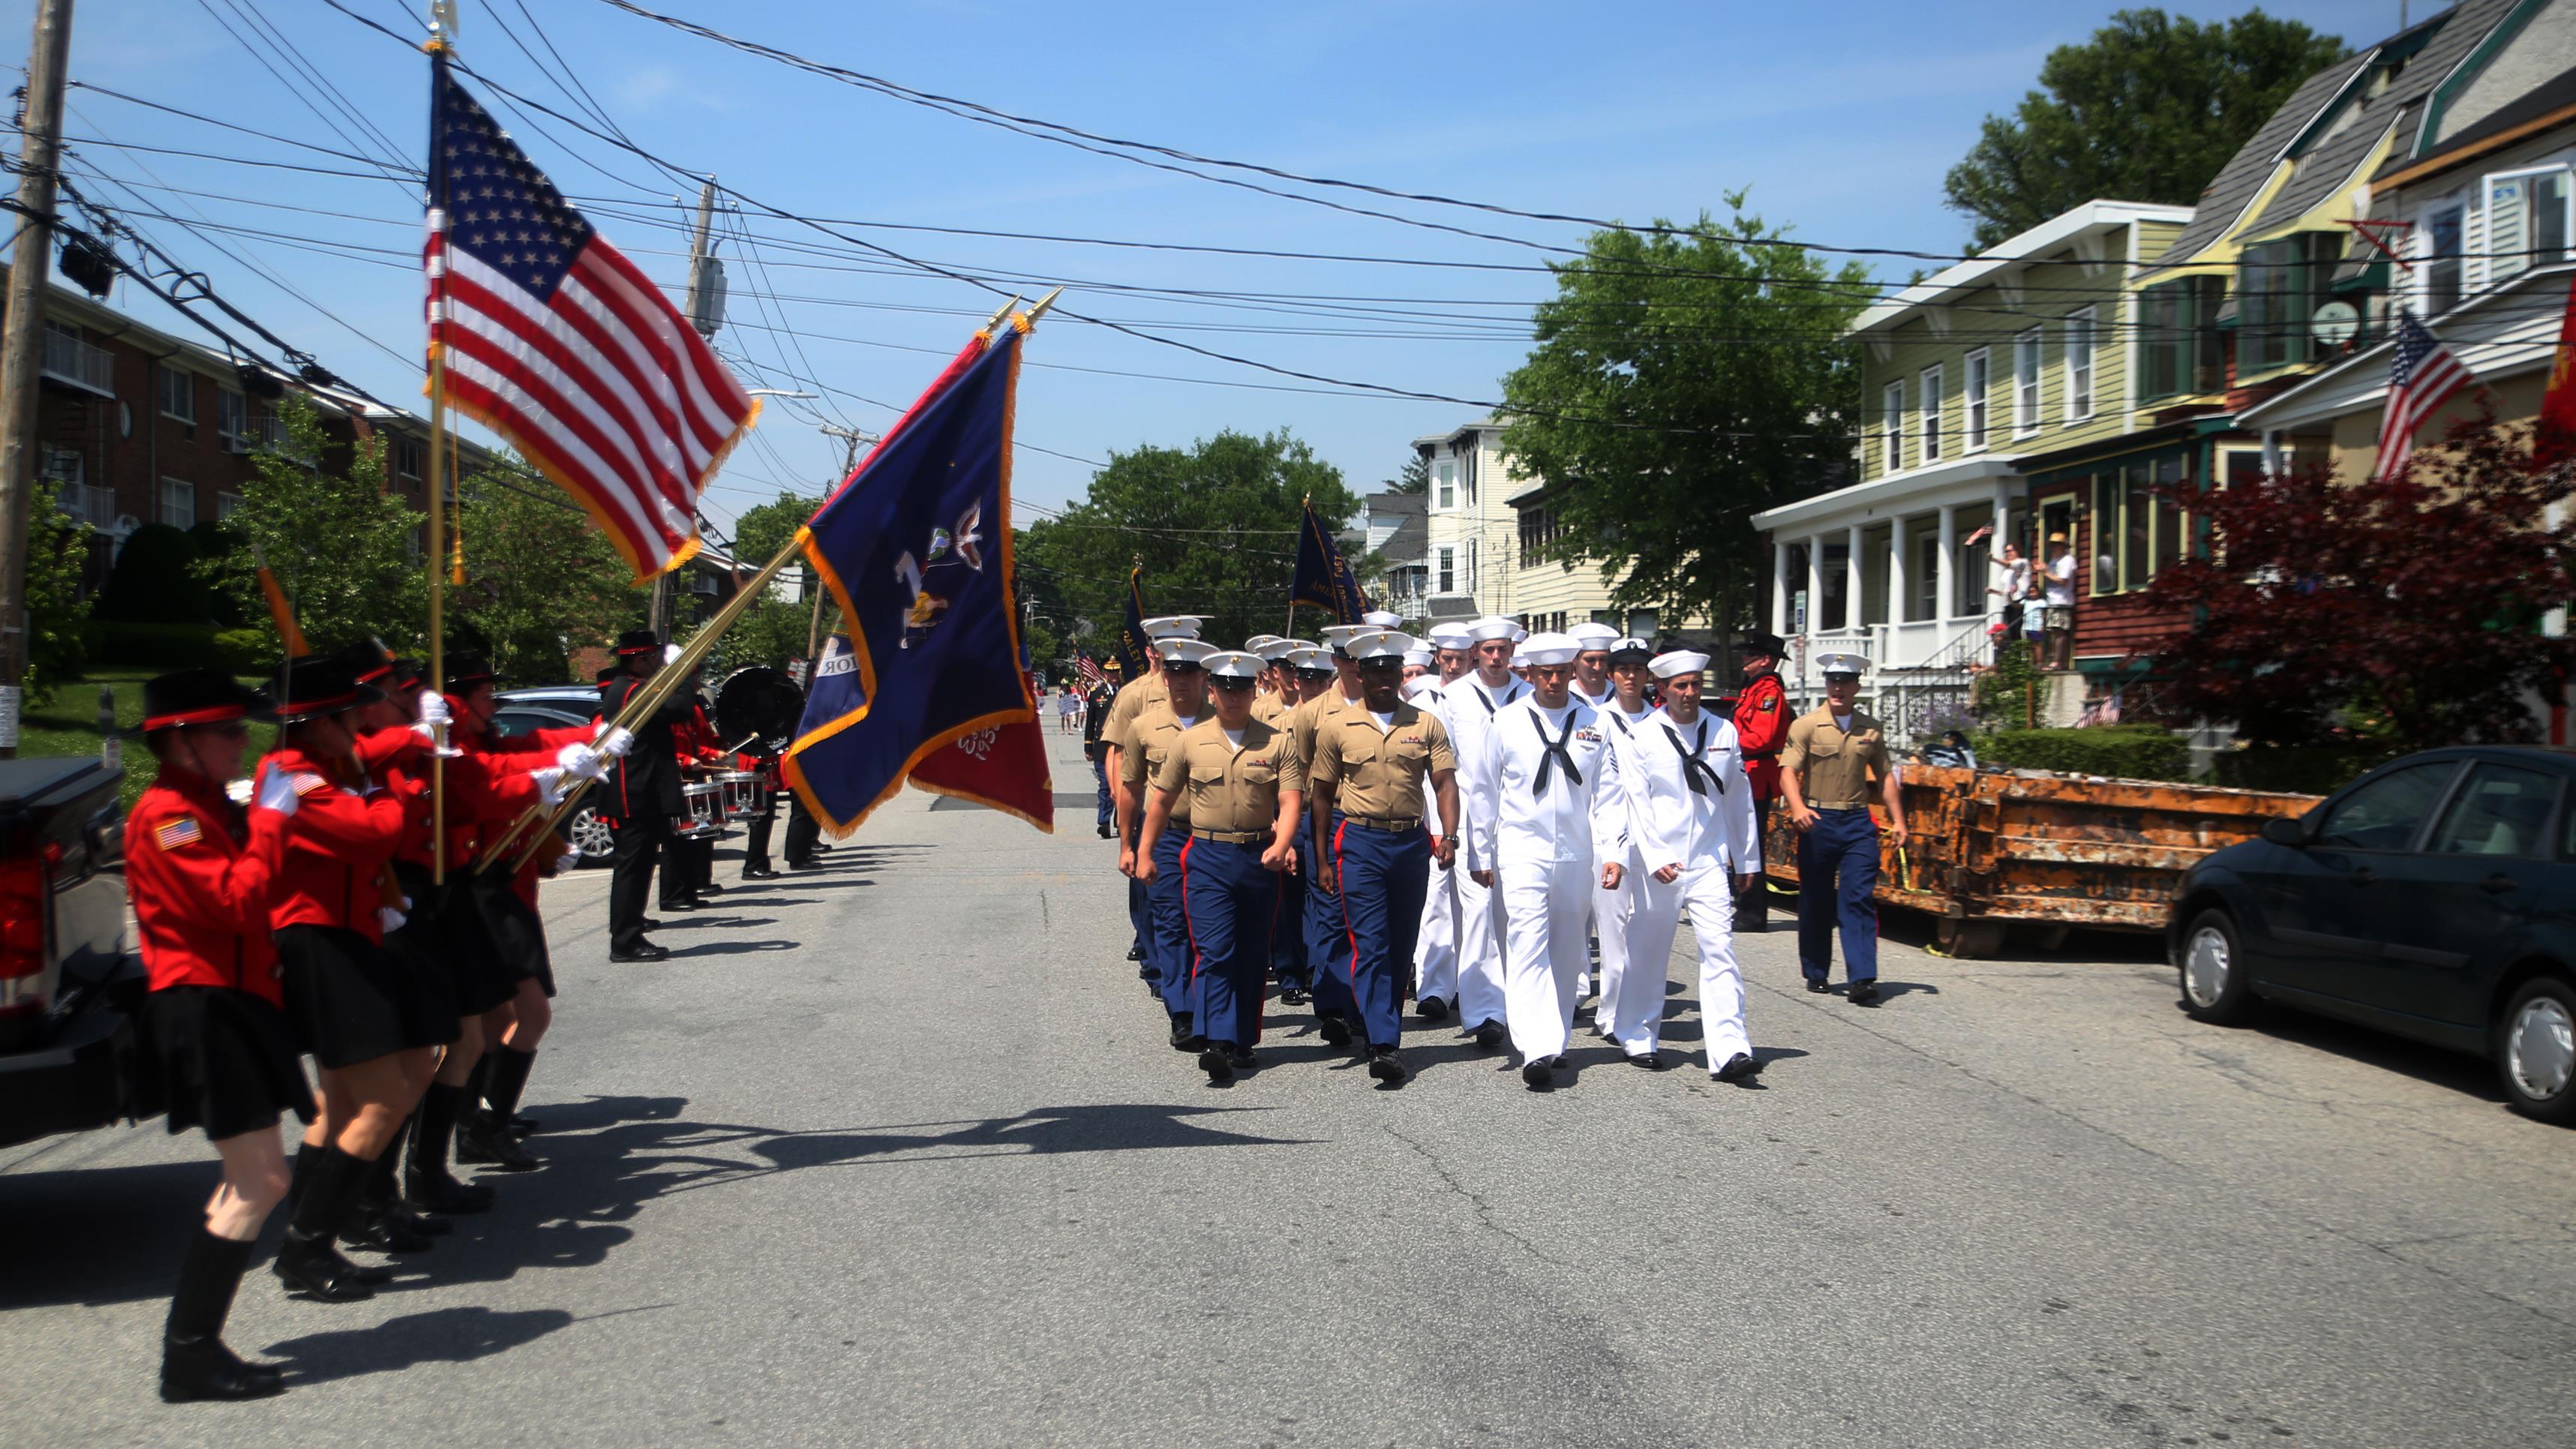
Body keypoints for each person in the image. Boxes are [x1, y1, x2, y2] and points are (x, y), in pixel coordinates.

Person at [125, 670, 304, 1400]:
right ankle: (189, 1355)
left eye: (240, 728)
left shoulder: (200, 807)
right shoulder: (168, 818)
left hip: (235, 1001)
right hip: (205, 1006)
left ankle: (195, 1350)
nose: (242, 741)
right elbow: (235, 900)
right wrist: (270, 821)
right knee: (258, 1180)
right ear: (180, 741)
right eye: (227, 730)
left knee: (256, 1179)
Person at [260, 655, 423, 1303]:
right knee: (383, 1098)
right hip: (319, 941)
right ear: (316, 724)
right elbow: (372, 835)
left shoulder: (323, 770)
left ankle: (313, 1238)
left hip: (346, 934)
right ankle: (305, 1244)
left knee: (343, 1107)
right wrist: (379, 789)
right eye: (347, 713)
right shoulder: (292, 778)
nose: (359, 720)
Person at [1135, 650, 1303, 1084]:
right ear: (1212, 691)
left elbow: (1289, 802)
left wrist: (1282, 844)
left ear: (1253, 691)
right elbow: (1162, 801)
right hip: (1207, 856)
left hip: (1257, 856)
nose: (1233, 697)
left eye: (1242, 689)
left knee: (1250, 952)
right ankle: (1217, 1040)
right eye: (1225, 689)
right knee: (1215, 950)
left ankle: (1242, 1039)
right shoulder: (1189, 742)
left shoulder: (1276, 742)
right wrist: (1146, 852)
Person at [1467, 632, 1620, 1090]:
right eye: (1545, 673)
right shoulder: (1507, 722)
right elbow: (1484, 791)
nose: (1554, 681)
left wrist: (1613, 850)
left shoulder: (1595, 722)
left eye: (1562, 672)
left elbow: (1609, 794)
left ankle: (1555, 1040)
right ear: (1529, 674)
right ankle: (1535, 1046)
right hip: (1522, 850)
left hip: (1576, 853)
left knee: (1567, 948)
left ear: (1573, 672)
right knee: (1527, 941)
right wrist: (1481, 850)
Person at [1307, 630, 1459, 1084]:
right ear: (1361, 674)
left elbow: (1445, 782)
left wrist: (1447, 834)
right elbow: (1320, 795)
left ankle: (1380, 1022)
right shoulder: (1338, 726)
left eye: (1391, 670)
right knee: (1371, 944)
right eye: (1375, 671)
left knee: (1400, 944)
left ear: (1399, 673)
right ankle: (1384, 1042)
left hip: (1411, 843)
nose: (1384, 679)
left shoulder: (1425, 723)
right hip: (1361, 843)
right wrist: (1321, 859)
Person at [1616, 650, 1763, 1079]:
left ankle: (1730, 1049)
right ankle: (1638, 1035)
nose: (1690, 693)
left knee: (1720, 949)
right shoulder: (1641, 737)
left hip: (1708, 860)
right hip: (1659, 862)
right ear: (1661, 690)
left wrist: (1746, 856)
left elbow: (1738, 797)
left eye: (1696, 684)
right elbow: (1636, 803)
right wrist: (1655, 854)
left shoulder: (1724, 731)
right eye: (1680, 686)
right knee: (1648, 952)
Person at [1779, 653, 1908, 1006]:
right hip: (1818, 820)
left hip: (1856, 822)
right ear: (1827, 685)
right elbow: (1788, 771)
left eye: (1846, 682)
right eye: (1833, 681)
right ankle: (1817, 970)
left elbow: (1884, 776)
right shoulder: (1807, 725)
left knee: (1857, 898)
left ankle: (1862, 977)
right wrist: (1798, 807)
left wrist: (1899, 820)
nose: (1838, 688)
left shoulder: (1871, 729)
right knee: (1817, 900)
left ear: (1857, 687)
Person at [1120, 636, 1215, 1046]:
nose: (1180, 680)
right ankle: (1182, 1011)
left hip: (1217, 840)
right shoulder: (1144, 726)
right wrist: (1127, 844)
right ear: (1163, 673)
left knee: (1210, 930)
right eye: (1173, 672)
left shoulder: (1226, 722)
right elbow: (1130, 787)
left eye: (1189, 672)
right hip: (1169, 838)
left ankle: (1213, 1007)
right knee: (1172, 924)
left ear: (1204, 676)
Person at [1439, 616, 1527, 1042]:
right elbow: (1442, 769)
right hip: (1471, 818)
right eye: (1488, 650)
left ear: (1512, 651)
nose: (1496, 657)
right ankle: (1484, 1014)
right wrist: (1444, 828)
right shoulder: (1453, 696)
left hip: (1520, 821)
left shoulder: (1528, 695)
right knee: (1476, 913)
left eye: (1503, 649)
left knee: (1514, 914)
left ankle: (1519, 1004)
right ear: (1476, 652)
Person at [1288, 625, 1371, 1046]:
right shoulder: (1312, 713)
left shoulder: (1389, 705)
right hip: (1330, 818)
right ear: (1336, 660)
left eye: (1362, 658)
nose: (1354, 666)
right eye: (1346, 658)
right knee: (1330, 917)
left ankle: (1365, 1005)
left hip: (1373, 822)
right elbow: (1302, 776)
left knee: (1370, 921)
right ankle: (1336, 1006)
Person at [599, 631, 695, 963]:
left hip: (642, 787)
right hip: (635, 790)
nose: (658, 663)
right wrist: (681, 669)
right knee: (633, 867)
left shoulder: (629, 686)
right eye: (654, 658)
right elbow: (680, 708)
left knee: (639, 867)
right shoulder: (632, 690)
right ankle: (625, 940)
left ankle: (631, 927)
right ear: (641, 659)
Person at [1586, 638, 1656, 1044]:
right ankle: (1610, 1013)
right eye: (1623, 669)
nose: (1631, 676)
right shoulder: (1595, 720)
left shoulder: (1659, 722)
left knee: (1642, 927)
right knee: (1611, 928)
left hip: (1649, 838)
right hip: (1605, 835)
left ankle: (1633, 1009)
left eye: (1639, 670)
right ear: (1611, 675)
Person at [1729, 631, 1791, 932]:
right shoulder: (1753, 688)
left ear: (1766, 660)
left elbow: (1762, 737)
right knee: (1740, 842)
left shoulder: (1769, 692)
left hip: (1758, 775)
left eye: (1750, 655)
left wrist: (1728, 740)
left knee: (1751, 845)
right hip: (1746, 773)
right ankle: (1743, 905)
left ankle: (1752, 913)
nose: (1744, 660)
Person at [1082, 658, 1122, 839]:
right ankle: (1104, 822)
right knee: (1105, 786)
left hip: (1122, 747)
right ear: (1105, 673)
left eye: (1116, 672)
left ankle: (1121, 822)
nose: (1114, 675)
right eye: (1110, 672)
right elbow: (1090, 721)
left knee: (1122, 786)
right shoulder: (1097, 694)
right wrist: (1088, 746)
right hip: (1102, 748)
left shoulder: (1126, 693)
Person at [1567, 621, 1620, 707]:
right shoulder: (1564, 695)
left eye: (1603, 660)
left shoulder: (1620, 695)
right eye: (1590, 660)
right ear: (1575, 660)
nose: (1597, 667)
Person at [2043, 532, 2076, 669]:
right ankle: (2055, 660)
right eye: (2052, 545)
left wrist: (2045, 572)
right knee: (2054, 632)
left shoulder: (2068, 560)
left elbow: (2063, 581)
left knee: (2060, 632)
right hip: (2052, 600)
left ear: (2063, 546)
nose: (2053, 548)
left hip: (2063, 600)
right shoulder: (2053, 561)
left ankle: (2059, 662)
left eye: (2056, 545)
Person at [1989, 542, 2031, 640]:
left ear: (2017, 551)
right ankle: (2016, 653)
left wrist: (1993, 559)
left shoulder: (2023, 562)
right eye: (2005, 552)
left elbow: (2008, 564)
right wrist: (1995, 592)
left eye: (2009, 551)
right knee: (2012, 631)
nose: (2007, 553)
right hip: (2009, 603)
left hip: (2020, 601)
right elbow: (2006, 590)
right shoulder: (2007, 571)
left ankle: (2021, 653)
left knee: (2018, 629)